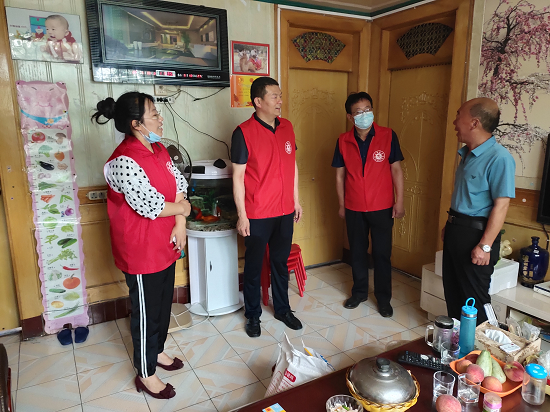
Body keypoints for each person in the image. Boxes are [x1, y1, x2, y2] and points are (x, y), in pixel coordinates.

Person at [91, 92, 191, 399]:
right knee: (146, 312)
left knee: (163, 303)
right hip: (141, 250)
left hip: (166, 242)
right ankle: (145, 373)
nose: (160, 119)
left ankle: (157, 350)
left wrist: (180, 223)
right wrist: (183, 210)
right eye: (154, 114)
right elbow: (151, 206)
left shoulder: (158, 148)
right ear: (136, 124)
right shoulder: (123, 160)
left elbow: (179, 185)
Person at [231, 77, 303, 338]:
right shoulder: (243, 132)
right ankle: (252, 315)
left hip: (284, 211)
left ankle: (283, 309)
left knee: (280, 264)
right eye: (274, 96)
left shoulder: (287, 127)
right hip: (258, 213)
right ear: (258, 101)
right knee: (253, 267)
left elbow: (292, 165)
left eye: (280, 96)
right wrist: (242, 216)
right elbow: (238, 177)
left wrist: (296, 200)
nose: (280, 101)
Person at [442, 97, 515, 325]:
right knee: (453, 294)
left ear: (474, 122)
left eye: (458, 115)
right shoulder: (466, 154)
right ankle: (459, 344)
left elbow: (501, 205)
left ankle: (483, 344)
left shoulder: (499, 158)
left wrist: (485, 246)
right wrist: (450, 224)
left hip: (477, 236)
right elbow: (466, 197)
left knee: (475, 301)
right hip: (456, 229)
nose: (455, 122)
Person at [332, 92, 405, 318]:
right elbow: (339, 176)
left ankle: (384, 299)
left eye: (368, 109)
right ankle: (359, 292)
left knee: (382, 254)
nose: (364, 115)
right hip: (354, 206)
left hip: (382, 206)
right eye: (359, 112)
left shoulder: (388, 135)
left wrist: (399, 201)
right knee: (357, 252)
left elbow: (396, 170)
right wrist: (342, 204)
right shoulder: (343, 141)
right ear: (349, 117)